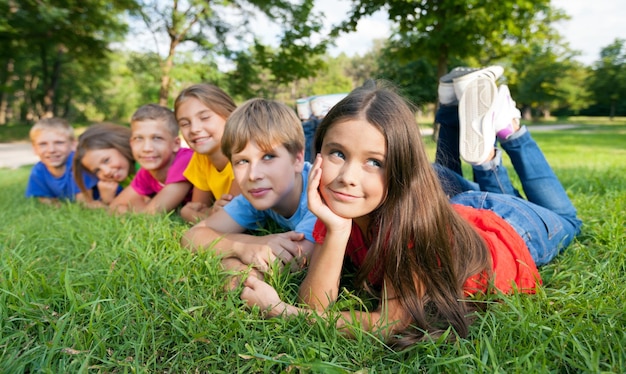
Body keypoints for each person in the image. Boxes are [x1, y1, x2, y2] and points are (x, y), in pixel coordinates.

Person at [240, 79, 582, 349]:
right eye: (337, 153)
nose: (347, 177)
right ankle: (485, 152)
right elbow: (317, 303)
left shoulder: (410, 229)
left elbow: (390, 322)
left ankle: (510, 131)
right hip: (460, 208)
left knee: (568, 220)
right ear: (318, 153)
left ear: (401, 169)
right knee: (492, 193)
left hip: (512, 230)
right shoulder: (337, 211)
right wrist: (337, 229)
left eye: (375, 162)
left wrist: (280, 311)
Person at [182, 98, 316, 282]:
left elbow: (294, 262)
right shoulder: (256, 193)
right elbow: (192, 237)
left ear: (298, 160)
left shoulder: (319, 196)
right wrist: (245, 246)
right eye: (242, 161)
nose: (253, 175)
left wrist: (230, 265)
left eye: (268, 157)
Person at [107, 104, 194, 214]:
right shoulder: (146, 172)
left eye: (157, 138)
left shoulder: (186, 161)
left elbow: (151, 214)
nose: (147, 148)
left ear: (176, 144)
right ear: (131, 143)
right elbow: (114, 207)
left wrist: (135, 207)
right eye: (139, 138)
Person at [174, 84, 241, 223]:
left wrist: (186, 213)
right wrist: (208, 212)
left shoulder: (243, 155)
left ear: (230, 116)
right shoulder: (200, 158)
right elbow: (199, 206)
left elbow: (230, 219)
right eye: (185, 123)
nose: (194, 129)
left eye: (204, 117)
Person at [25, 117, 98, 204]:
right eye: (43, 144)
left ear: (73, 144)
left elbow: (84, 202)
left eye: (59, 143)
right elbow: (42, 198)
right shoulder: (38, 170)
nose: (51, 150)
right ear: (35, 149)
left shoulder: (79, 164)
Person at [74, 122, 136, 207]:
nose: (106, 172)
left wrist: (110, 203)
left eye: (106, 160)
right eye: (97, 170)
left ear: (120, 144)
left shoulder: (145, 167)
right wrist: (107, 200)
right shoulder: (125, 178)